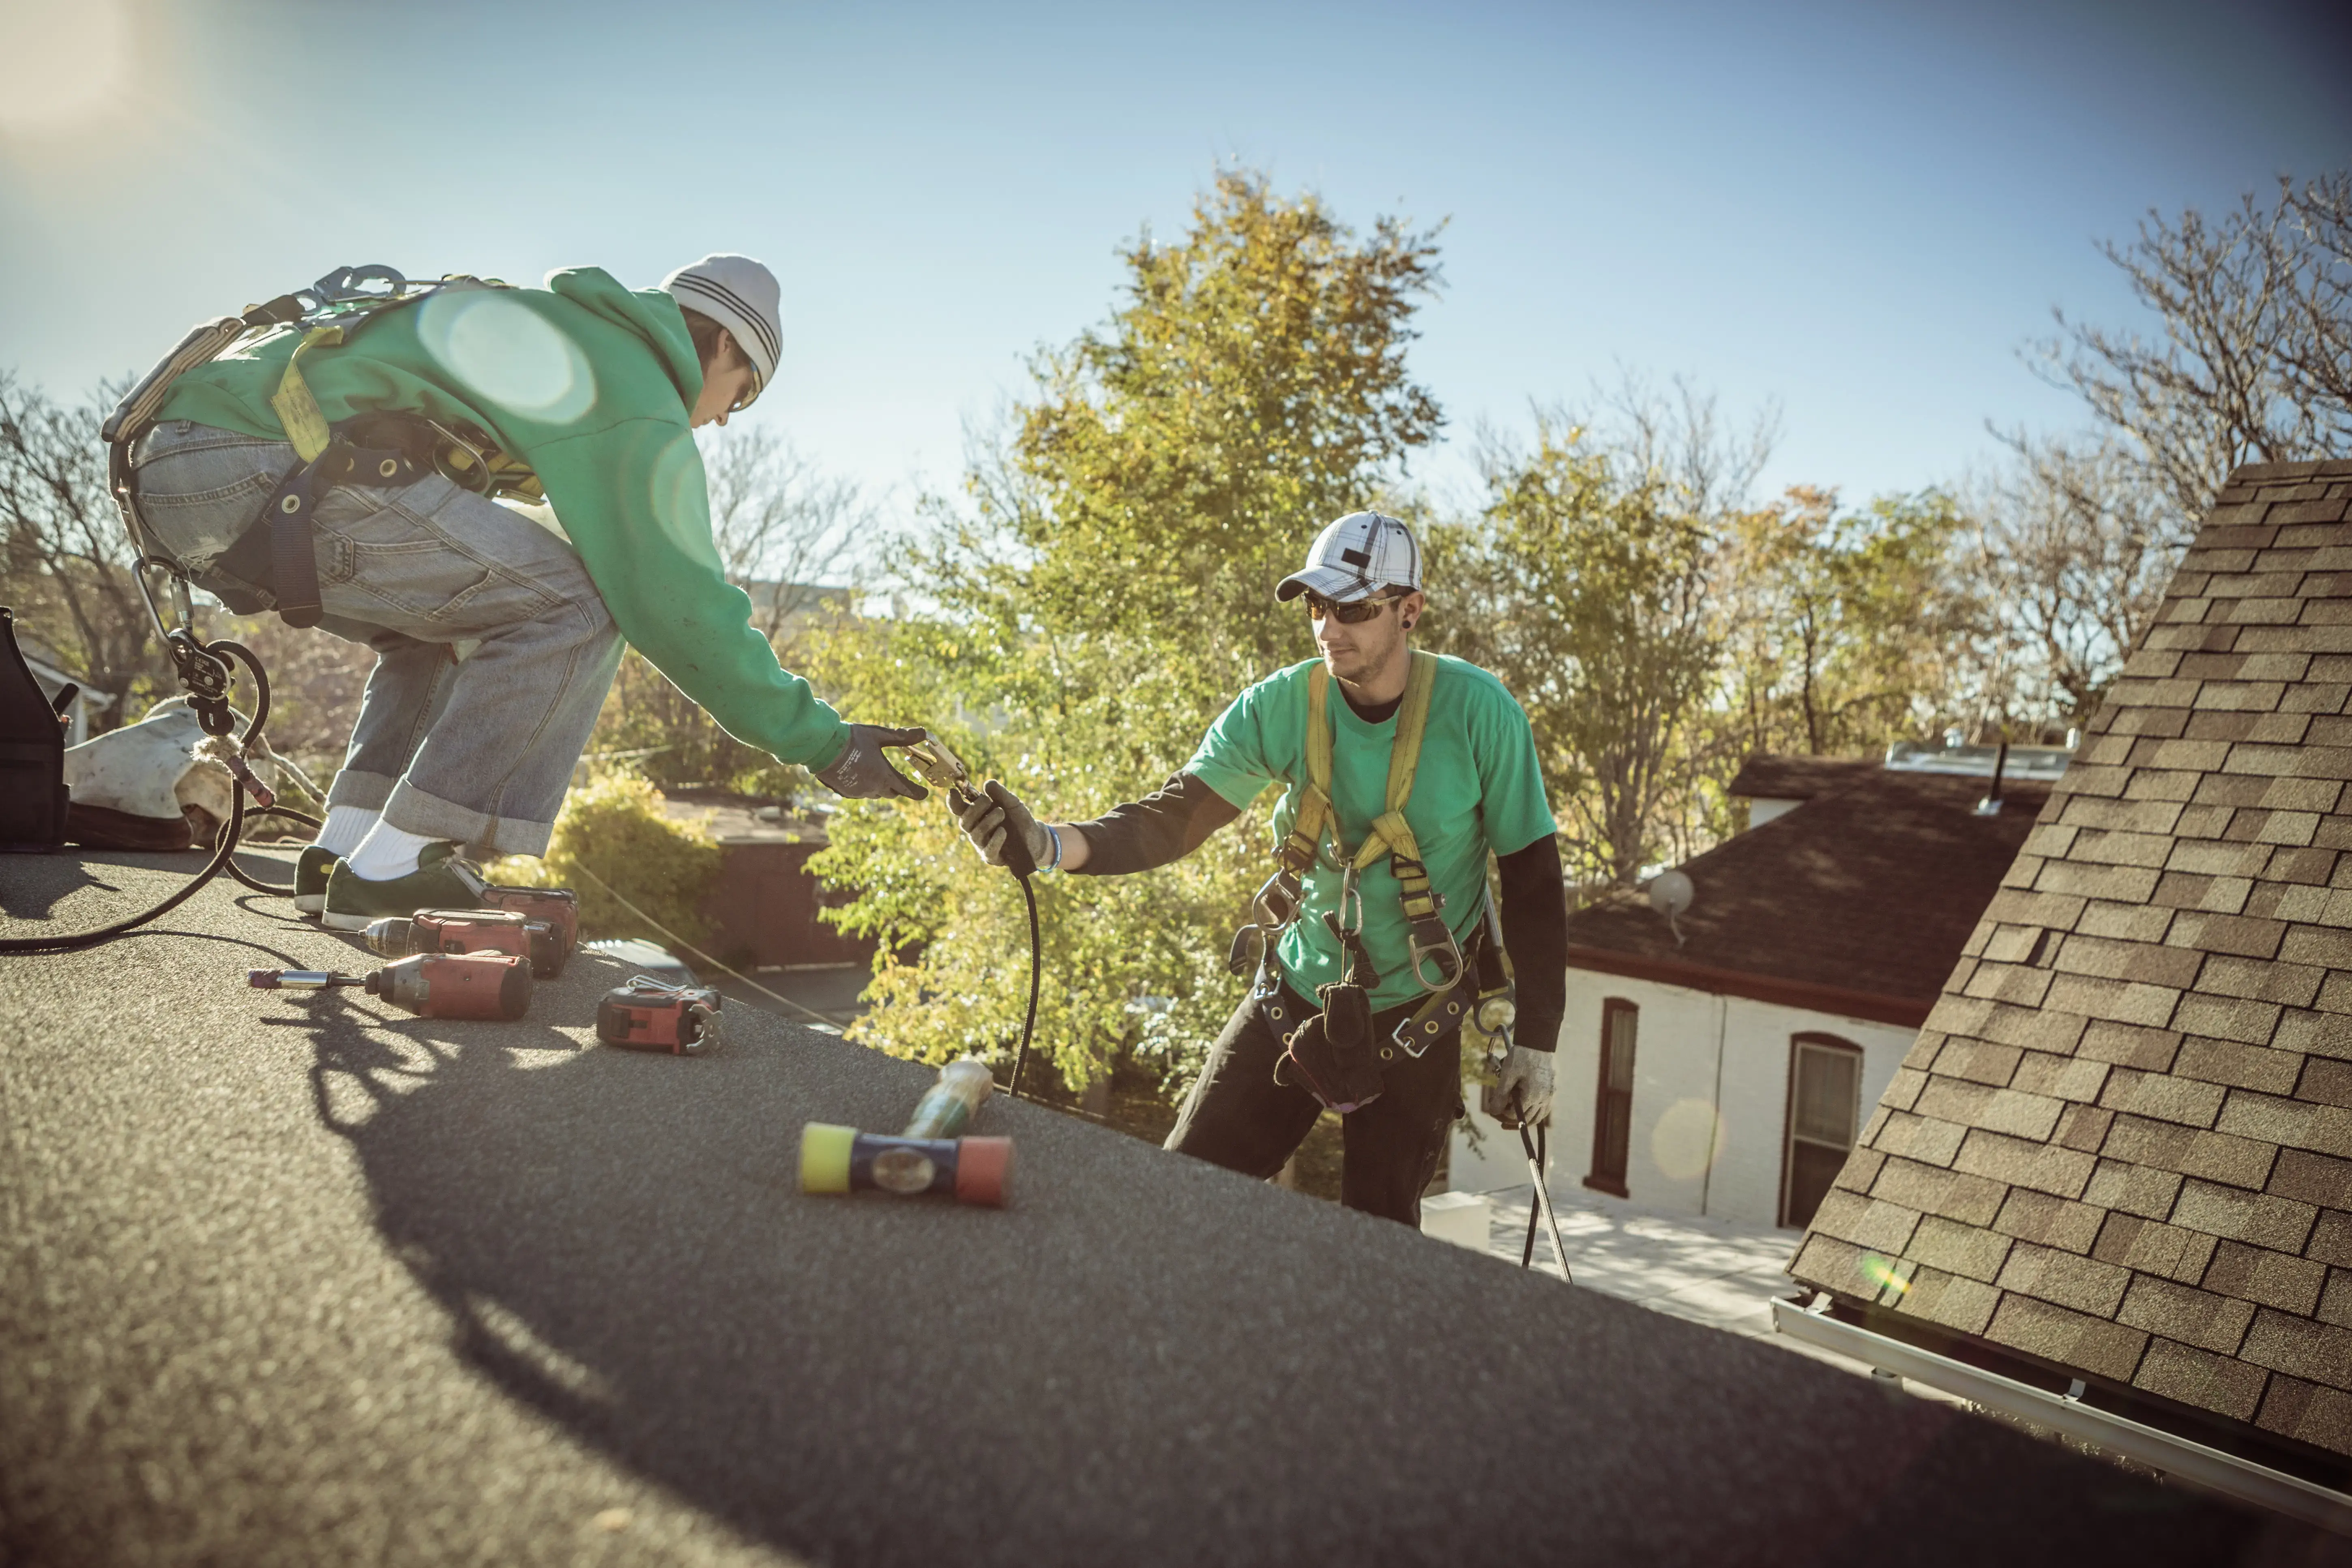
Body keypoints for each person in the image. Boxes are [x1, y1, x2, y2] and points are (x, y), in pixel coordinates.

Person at [121, 255, 929, 929]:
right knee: (581, 608)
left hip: (181, 467)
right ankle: (405, 864)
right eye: (744, 394)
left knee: (453, 614)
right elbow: (675, 604)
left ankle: (347, 848)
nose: (723, 420)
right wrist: (824, 742)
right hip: (259, 464)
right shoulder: (636, 391)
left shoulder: (568, 332)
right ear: (719, 346)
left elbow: (518, 554)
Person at [955, 512, 1567, 1225]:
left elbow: (1533, 881)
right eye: (1316, 606)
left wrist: (1537, 1041)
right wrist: (1049, 844)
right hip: (1294, 1000)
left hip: (1415, 1019)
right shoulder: (1281, 706)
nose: (1328, 628)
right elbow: (1175, 816)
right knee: (1179, 1203)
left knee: (1374, 1251)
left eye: (1352, 608)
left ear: (1410, 611)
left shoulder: (1478, 712)